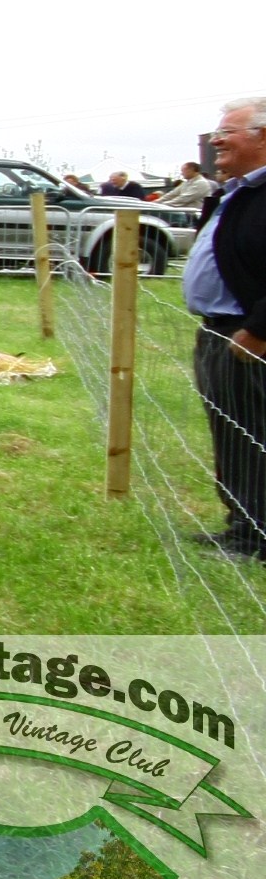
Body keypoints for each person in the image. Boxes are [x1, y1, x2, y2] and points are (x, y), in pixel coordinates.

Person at [182, 101, 266, 558]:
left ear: (262, 135)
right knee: (232, 434)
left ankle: (256, 536)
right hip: (221, 332)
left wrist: (259, 331)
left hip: (249, 339)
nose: (215, 140)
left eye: (227, 131)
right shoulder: (236, 191)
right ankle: (241, 525)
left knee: (253, 435)